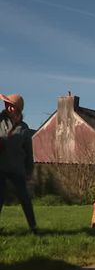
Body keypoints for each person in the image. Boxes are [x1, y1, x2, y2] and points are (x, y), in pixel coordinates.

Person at [0, 93, 37, 233]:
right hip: (0, 167)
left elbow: (28, 151)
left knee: (25, 198)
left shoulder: (24, 128)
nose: (8, 107)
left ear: (18, 108)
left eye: (12, 105)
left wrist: (29, 170)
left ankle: (33, 227)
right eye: (7, 104)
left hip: (17, 168)